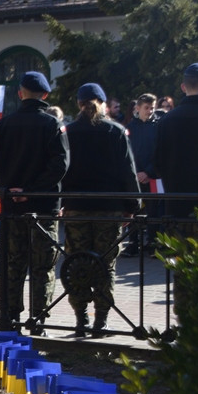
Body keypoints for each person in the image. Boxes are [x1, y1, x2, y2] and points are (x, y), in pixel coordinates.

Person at [0, 71, 70, 335]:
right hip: (44, 207)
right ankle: (38, 321)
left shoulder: (5, 124)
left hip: (12, 207)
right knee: (43, 266)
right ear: (45, 96)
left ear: (20, 93)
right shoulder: (52, 124)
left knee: (13, 263)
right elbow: (61, 165)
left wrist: (17, 188)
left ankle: (10, 317)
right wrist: (33, 191)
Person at [62, 83, 141, 337]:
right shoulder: (116, 131)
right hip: (109, 209)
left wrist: (60, 202)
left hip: (76, 208)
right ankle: (102, 321)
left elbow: (60, 170)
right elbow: (128, 172)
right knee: (106, 264)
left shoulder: (69, 132)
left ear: (79, 104)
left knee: (78, 262)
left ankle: (81, 319)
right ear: (103, 103)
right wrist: (133, 206)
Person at [152, 62, 198, 314]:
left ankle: (184, 323)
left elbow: (157, 164)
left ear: (184, 87)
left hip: (176, 206)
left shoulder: (167, 120)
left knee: (181, 266)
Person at [123, 93, 159, 256]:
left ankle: (152, 241)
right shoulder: (130, 128)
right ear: (137, 108)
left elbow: (161, 152)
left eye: (152, 108)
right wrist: (135, 173)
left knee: (153, 210)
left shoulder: (158, 126)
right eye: (146, 108)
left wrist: (148, 172)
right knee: (134, 209)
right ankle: (132, 242)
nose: (150, 111)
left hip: (152, 176)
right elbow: (126, 154)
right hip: (135, 176)